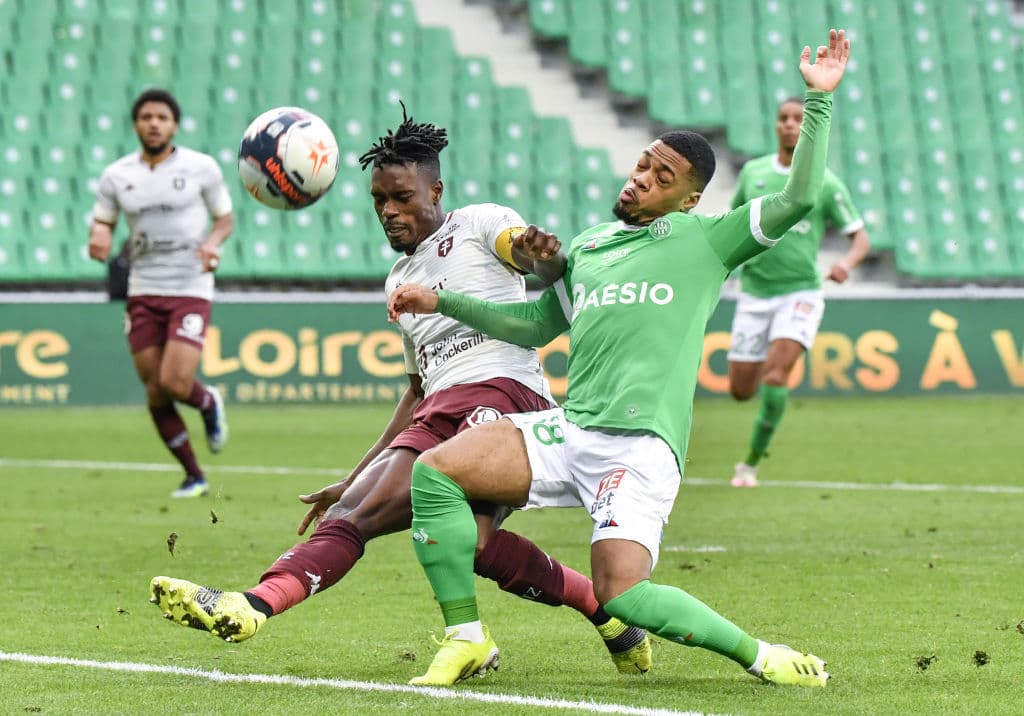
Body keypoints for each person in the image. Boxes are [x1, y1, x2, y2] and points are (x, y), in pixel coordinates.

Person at [387, 30, 851, 687]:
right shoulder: (592, 246)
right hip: (571, 430)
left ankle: (761, 656)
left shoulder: (708, 239)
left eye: (663, 178)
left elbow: (798, 200)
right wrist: (444, 301)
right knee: (434, 474)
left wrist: (819, 101)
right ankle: (465, 636)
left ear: (688, 198)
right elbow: (533, 326)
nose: (641, 180)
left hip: (638, 449)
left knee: (622, 596)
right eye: (644, 164)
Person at [148, 105, 652, 676]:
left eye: (403, 197)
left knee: (392, 522)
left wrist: (538, 250)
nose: (390, 211)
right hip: (439, 407)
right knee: (434, 532)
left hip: (506, 397)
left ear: (435, 189)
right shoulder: (397, 281)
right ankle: (603, 614)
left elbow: (525, 252)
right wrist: (356, 470)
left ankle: (256, 605)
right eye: (379, 202)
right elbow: (416, 391)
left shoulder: (481, 223)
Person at [87, 88, 232, 499]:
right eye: (146, 116)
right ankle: (194, 475)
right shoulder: (117, 175)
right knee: (154, 387)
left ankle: (207, 403)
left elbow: (224, 219)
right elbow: (103, 222)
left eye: (162, 117)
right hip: (143, 288)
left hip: (189, 286)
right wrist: (98, 237)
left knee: (172, 380)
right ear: (136, 124)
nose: (153, 123)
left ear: (174, 125)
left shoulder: (201, 168)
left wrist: (213, 243)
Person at [726, 95, 870, 488]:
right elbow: (732, 225)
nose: (790, 124)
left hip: (801, 292)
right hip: (755, 292)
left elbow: (860, 238)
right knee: (740, 390)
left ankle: (750, 463)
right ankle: (757, 434)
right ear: (776, 125)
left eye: (798, 119)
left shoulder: (825, 181)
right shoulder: (753, 173)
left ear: (809, 127)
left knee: (777, 374)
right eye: (784, 118)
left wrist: (845, 264)